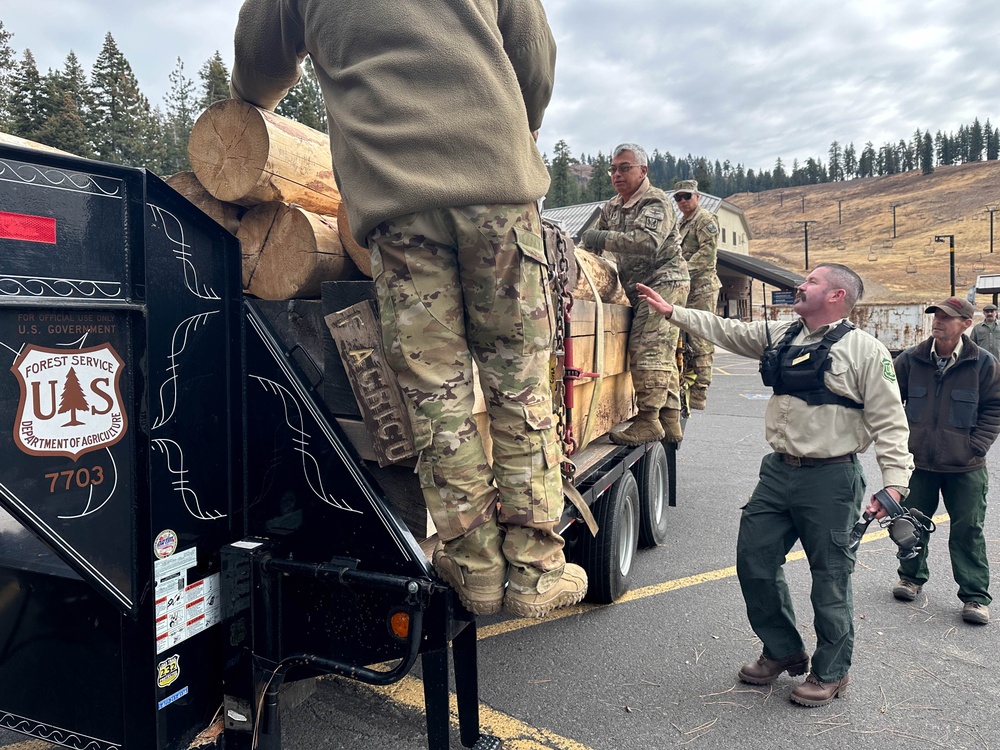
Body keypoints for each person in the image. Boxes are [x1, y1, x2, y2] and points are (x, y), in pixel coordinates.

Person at [231, 0, 587, 618]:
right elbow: (532, 60)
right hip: (499, 197)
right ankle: (535, 572)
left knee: (435, 394)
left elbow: (260, 68)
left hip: (398, 208)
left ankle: (475, 571)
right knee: (520, 383)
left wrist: (253, 95)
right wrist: (513, 122)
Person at [636, 263, 913, 707]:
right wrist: (674, 313)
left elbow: (891, 422)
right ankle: (783, 650)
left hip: (832, 478)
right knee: (754, 561)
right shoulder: (783, 335)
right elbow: (726, 330)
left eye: (813, 281)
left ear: (837, 296)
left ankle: (832, 671)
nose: (801, 286)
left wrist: (895, 484)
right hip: (777, 472)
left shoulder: (865, 350)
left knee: (830, 578)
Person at [891, 297, 1000, 625]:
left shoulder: (984, 363)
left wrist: (976, 446)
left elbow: (994, 408)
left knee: (968, 530)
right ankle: (910, 577)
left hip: (965, 466)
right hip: (919, 463)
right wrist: (901, 445)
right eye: (936, 315)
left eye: (947, 317)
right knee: (910, 524)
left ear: (966, 324)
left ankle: (975, 596)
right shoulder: (911, 359)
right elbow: (890, 403)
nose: (938, 321)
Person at [579, 144, 688, 444]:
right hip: (637, 286)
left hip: (664, 281)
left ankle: (649, 420)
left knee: (648, 346)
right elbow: (591, 245)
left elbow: (646, 241)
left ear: (643, 171)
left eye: (624, 168)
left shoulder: (656, 202)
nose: (617, 174)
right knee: (662, 350)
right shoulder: (612, 207)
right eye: (613, 169)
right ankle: (669, 418)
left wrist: (600, 237)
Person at [671, 180, 721, 411]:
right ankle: (686, 378)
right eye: (678, 198)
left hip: (702, 287)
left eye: (686, 196)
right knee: (683, 332)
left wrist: (680, 269)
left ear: (697, 196)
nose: (682, 201)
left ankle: (701, 388)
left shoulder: (705, 220)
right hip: (686, 287)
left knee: (701, 333)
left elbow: (707, 255)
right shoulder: (681, 224)